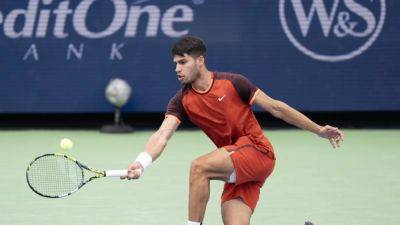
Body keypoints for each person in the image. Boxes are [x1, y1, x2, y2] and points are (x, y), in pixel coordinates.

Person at [121, 36, 344, 225]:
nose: (177, 69)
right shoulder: (181, 101)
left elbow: (277, 108)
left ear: (200, 60)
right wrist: (141, 162)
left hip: (258, 152)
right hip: (236, 165)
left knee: (199, 168)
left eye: (183, 62)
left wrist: (318, 130)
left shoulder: (233, 83)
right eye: (175, 64)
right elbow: (161, 136)